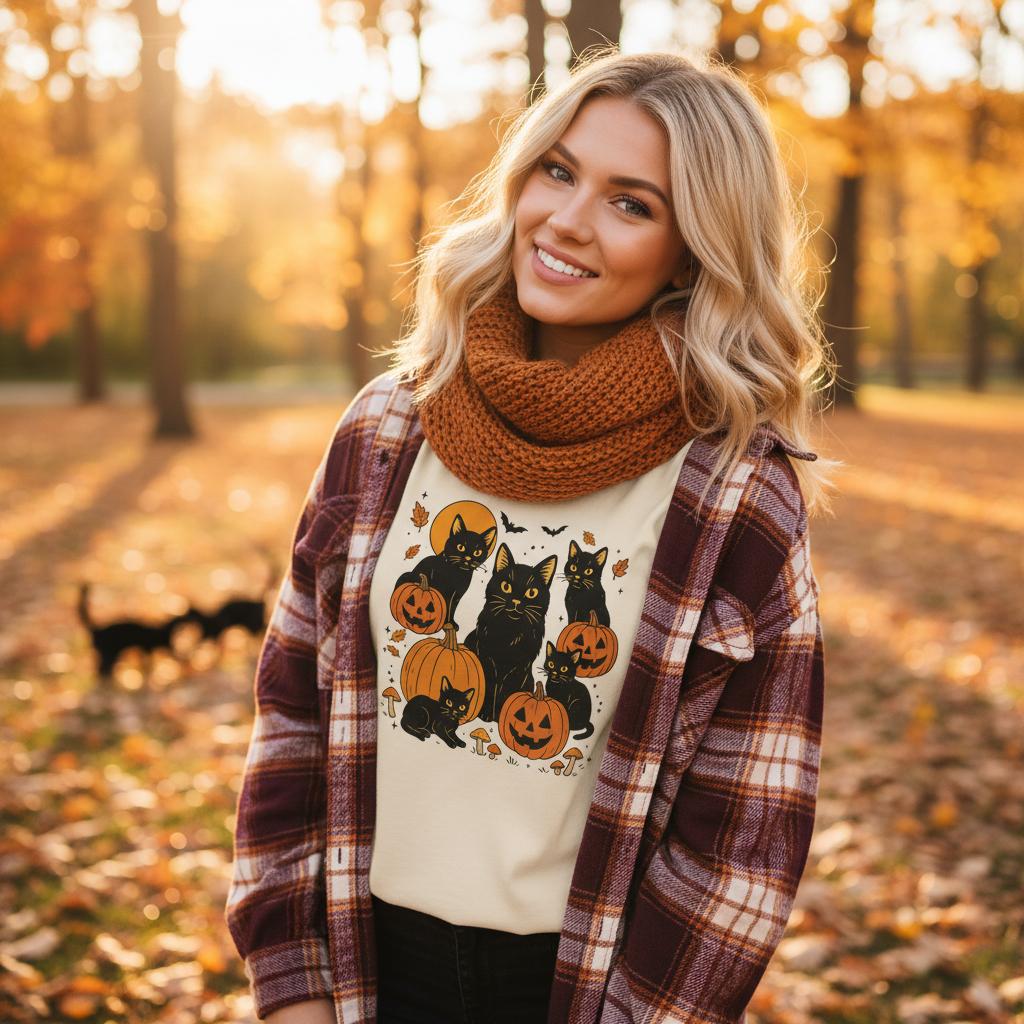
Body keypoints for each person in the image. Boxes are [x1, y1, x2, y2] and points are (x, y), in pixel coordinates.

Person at [225, 47, 837, 1024]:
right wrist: (291, 985)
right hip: (363, 970)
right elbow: (292, 713)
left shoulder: (732, 491)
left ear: (694, 247)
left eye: (630, 203)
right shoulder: (390, 427)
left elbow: (742, 835)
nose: (566, 219)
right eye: (558, 170)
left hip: (582, 990)